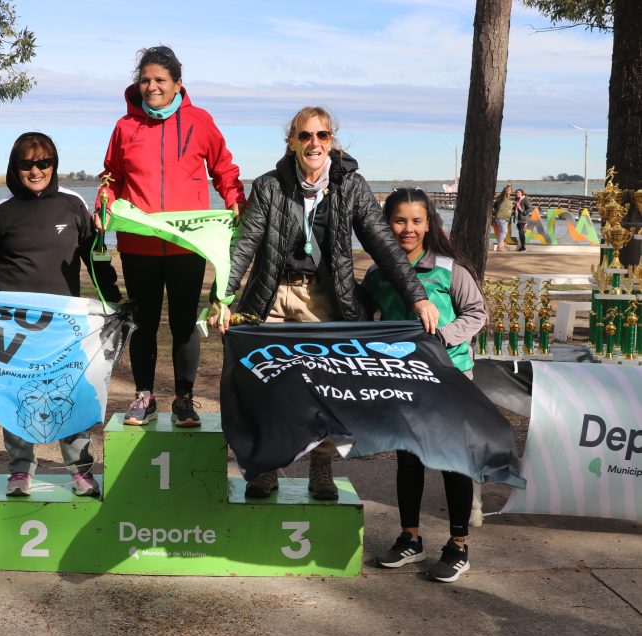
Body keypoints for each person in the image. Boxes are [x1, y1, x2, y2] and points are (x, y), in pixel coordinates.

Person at [212, 106, 438, 501]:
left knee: (327, 387)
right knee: (268, 384)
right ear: (292, 142)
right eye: (305, 135)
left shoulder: (351, 186)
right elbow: (245, 244)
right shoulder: (269, 186)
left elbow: (383, 244)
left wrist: (417, 296)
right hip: (273, 296)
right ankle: (267, 467)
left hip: (324, 298)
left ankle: (321, 466)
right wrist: (223, 298)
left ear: (332, 141)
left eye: (322, 135)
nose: (313, 143)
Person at [0, 132, 121, 497]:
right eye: (26, 164)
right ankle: (20, 470)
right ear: (15, 168)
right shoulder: (4, 211)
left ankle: (80, 470)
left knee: (69, 394)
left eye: (44, 162)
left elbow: (95, 259)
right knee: (17, 396)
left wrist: (113, 299)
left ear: (54, 164)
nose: (36, 170)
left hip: (62, 325)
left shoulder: (73, 204)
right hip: (11, 325)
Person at [95, 45, 246, 428]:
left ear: (178, 83)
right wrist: (104, 203)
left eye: (160, 80)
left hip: (187, 244)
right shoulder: (125, 127)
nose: (152, 87)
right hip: (138, 246)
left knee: (183, 323)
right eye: (145, 80)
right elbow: (112, 175)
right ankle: (143, 398)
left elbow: (224, 168)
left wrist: (234, 198)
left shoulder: (199, 121)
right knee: (143, 324)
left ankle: (184, 400)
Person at [363, 188, 487, 583]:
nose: (408, 229)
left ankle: (458, 546)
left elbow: (477, 312)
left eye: (416, 221)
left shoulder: (449, 269)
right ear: (386, 225)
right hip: (402, 380)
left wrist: (441, 338)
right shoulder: (377, 272)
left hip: (450, 378)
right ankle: (410, 538)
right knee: (409, 460)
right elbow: (363, 318)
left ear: (429, 224)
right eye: (399, 220)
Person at [492, 183, 513, 252]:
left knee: (502, 232)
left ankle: (501, 244)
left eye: (510, 190)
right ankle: (500, 246)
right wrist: (508, 186)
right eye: (508, 190)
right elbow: (503, 193)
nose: (509, 190)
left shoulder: (509, 199)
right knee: (504, 231)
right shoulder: (503, 198)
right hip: (501, 217)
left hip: (506, 218)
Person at [513, 188, 532, 252]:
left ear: (522, 193)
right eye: (516, 192)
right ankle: (522, 247)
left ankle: (524, 248)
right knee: (520, 233)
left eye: (519, 192)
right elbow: (516, 209)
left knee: (521, 232)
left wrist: (522, 211)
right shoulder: (517, 200)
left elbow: (530, 209)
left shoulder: (525, 199)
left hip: (524, 219)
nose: (517, 194)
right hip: (518, 219)